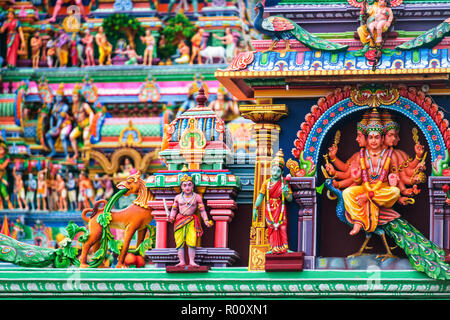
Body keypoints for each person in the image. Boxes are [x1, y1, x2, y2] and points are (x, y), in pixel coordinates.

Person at [341, 109, 400, 235]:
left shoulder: (390, 154)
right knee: (347, 193)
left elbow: (396, 175)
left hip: (382, 189)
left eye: (377, 137)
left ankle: (368, 199)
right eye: (371, 137)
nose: (373, 141)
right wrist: (356, 178)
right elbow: (356, 179)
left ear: (382, 138)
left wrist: (394, 180)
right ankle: (359, 221)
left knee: (395, 192)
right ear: (367, 139)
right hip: (365, 187)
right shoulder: (360, 155)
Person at [253, 149, 293, 254]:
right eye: (274, 170)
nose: (275, 173)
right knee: (271, 228)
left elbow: (290, 199)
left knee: (283, 227)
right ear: (270, 170)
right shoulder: (266, 183)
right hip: (269, 208)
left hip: (280, 207)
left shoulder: (284, 183)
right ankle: (273, 248)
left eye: (278, 171)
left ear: (282, 172)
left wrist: (285, 193)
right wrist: (255, 208)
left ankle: (284, 247)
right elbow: (261, 196)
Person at [168, 174, 213, 267]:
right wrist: (171, 217)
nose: (187, 187)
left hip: (191, 220)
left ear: (193, 186)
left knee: (192, 240)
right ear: (181, 187)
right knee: (179, 241)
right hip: (179, 220)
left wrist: (206, 220)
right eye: (185, 185)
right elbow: (174, 209)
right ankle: (182, 261)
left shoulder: (197, 197)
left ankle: (192, 261)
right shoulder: (177, 197)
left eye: (189, 184)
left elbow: (202, 210)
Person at [68, 85, 94, 162]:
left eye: (75, 96)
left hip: (86, 124)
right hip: (79, 125)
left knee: (85, 137)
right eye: (72, 96)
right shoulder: (73, 107)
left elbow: (91, 114)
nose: (73, 98)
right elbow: (75, 118)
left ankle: (87, 154)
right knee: (71, 136)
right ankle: (76, 153)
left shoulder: (84, 105)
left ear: (79, 97)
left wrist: (90, 124)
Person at [0, 142, 13, 210]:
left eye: (2, 149)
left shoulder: (7, 157)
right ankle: (1, 205)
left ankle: (9, 203)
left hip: (3, 174)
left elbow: (2, 167)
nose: (0, 150)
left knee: (3, 189)